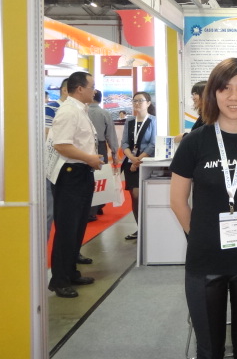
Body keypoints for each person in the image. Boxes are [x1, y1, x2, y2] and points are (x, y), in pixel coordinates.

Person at [170, 58, 237, 359]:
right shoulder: (194, 142)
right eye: (225, 88)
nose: (234, 97)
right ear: (214, 93)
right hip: (204, 259)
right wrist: (201, 234)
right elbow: (177, 201)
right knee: (209, 349)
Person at [48, 72, 104, 298]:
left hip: (81, 173)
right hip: (70, 175)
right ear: (80, 89)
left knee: (78, 226)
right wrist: (89, 158)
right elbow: (61, 145)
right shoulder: (69, 111)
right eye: (92, 86)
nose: (94, 91)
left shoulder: (81, 110)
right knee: (67, 229)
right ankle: (59, 280)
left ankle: (70, 272)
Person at [121, 92, 156, 240]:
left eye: (140, 101)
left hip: (146, 163)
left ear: (148, 103)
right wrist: (132, 158)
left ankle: (149, 228)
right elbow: (124, 143)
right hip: (130, 163)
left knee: (144, 196)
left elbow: (153, 144)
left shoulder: (154, 120)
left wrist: (138, 160)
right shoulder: (130, 121)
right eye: (134, 101)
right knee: (134, 197)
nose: (137, 103)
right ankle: (140, 229)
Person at [87, 89, 120, 221]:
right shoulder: (104, 113)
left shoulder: (83, 112)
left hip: (85, 147)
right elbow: (110, 134)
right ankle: (99, 206)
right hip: (100, 146)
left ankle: (90, 209)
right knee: (101, 177)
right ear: (100, 99)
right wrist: (114, 152)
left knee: (88, 178)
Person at [45, 78, 68, 239]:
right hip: (52, 165)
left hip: (70, 166)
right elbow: (47, 134)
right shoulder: (51, 108)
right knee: (49, 212)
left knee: (67, 212)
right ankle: (42, 248)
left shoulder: (79, 110)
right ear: (65, 90)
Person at [174, 80, 207, 144]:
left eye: (196, 94)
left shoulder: (211, 117)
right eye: (193, 94)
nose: (193, 98)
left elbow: (203, 137)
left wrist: (184, 136)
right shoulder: (203, 115)